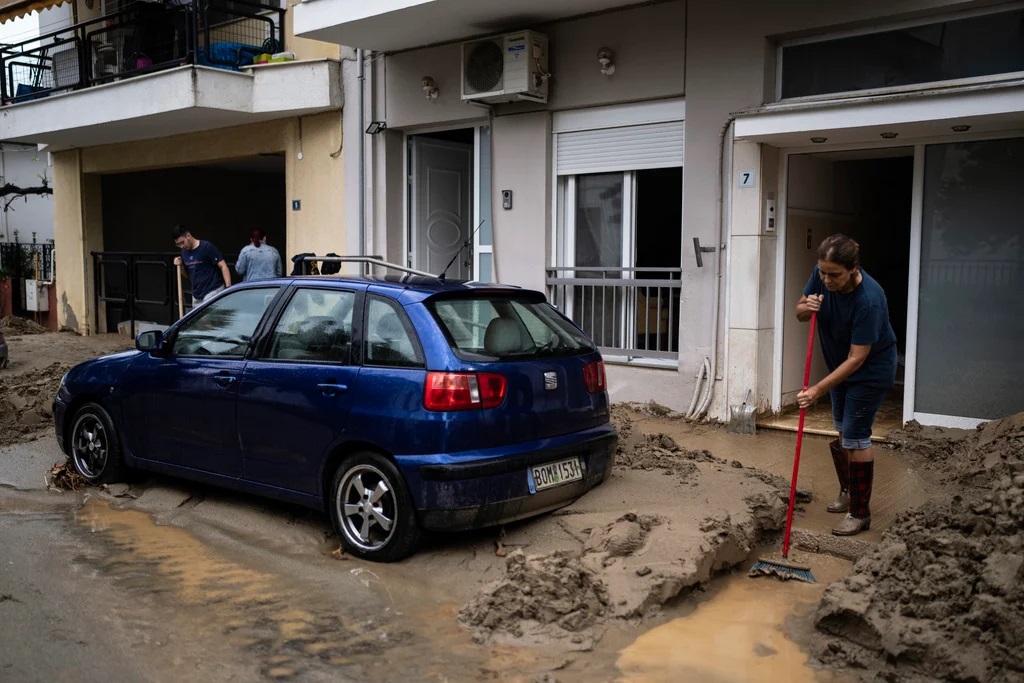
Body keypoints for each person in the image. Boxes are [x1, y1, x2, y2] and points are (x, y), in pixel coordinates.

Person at [795, 234, 897, 537]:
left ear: (853, 269)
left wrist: (817, 390)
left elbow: (857, 359)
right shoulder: (822, 274)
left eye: (834, 274)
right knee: (842, 433)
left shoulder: (869, 301)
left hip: (868, 372)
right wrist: (807, 306)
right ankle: (848, 492)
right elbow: (800, 312)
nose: (826, 279)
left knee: (856, 438)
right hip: (838, 367)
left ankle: (860, 513)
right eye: (822, 272)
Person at [172, 225, 232, 306]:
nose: (182, 246)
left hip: (212, 289)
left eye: (182, 242)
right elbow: (187, 275)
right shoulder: (184, 252)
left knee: (208, 318)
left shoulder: (206, 247)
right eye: (178, 245)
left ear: (188, 236)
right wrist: (180, 266)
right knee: (197, 318)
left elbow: (223, 266)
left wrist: (228, 288)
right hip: (197, 294)